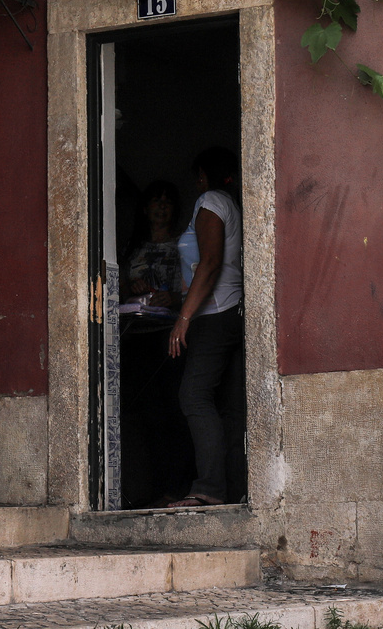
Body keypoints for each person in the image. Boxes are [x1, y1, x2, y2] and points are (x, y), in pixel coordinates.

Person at [167, 146, 247, 506]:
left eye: (197, 175)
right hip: (228, 312)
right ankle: (230, 489)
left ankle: (209, 489)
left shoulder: (211, 201)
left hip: (213, 314)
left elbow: (210, 263)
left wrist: (183, 318)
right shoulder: (229, 203)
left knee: (193, 396)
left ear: (203, 176)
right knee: (226, 404)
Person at [124, 181, 182, 314]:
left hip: (172, 322)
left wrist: (174, 298)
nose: (162, 207)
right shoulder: (132, 246)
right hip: (136, 320)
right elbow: (119, 286)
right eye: (156, 201)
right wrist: (132, 287)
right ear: (145, 208)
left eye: (168, 202)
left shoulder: (183, 244)